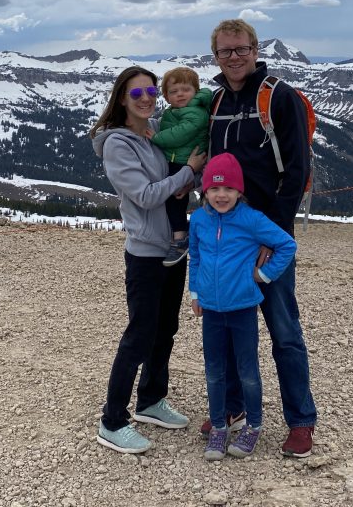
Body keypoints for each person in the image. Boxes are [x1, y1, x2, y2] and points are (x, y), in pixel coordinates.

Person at [204, 18, 318, 457]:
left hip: (266, 232)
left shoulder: (278, 96)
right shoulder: (216, 101)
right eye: (225, 51)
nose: (233, 57)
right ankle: (233, 407)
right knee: (231, 325)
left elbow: (297, 170)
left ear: (255, 50)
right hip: (228, 236)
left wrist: (274, 234)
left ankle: (301, 420)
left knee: (283, 329)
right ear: (215, 55)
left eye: (241, 49)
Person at [89, 65, 208, 454]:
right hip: (145, 252)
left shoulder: (155, 131)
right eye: (137, 94)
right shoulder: (118, 144)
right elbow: (144, 195)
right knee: (140, 334)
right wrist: (187, 173)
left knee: (166, 328)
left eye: (151, 93)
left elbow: (178, 180)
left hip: (174, 246)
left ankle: (151, 400)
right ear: (122, 99)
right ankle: (112, 420)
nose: (146, 100)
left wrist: (186, 180)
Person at [189, 153, 296, 460]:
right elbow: (195, 257)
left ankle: (254, 425)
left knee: (248, 371)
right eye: (214, 188)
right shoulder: (199, 220)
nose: (221, 195)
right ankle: (219, 426)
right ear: (205, 191)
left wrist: (264, 275)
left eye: (229, 189)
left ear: (239, 191)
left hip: (243, 309)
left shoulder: (251, 219)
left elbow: (287, 244)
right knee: (214, 371)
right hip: (211, 309)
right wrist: (195, 293)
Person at [149, 66, 213, 267]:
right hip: (179, 159)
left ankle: (179, 238)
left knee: (174, 199)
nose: (180, 94)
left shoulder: (196, 111)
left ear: (195, 91)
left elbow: (181, 134)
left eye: (186, 89)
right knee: (175, 197)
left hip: (183, 161)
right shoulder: (177, 111)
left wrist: (157, 138)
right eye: (174, 91)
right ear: (167, 97)